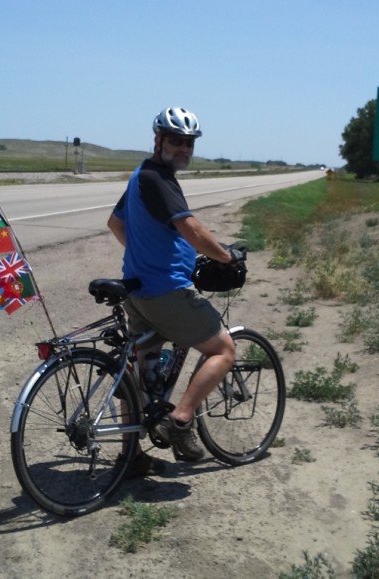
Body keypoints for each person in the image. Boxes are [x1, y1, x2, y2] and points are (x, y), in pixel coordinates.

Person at [107, 106, 241, 469]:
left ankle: (131, 457)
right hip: (165, 291)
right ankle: (181, 421)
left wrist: (146, 255)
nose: (183, 148)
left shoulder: (141, 175)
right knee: (224, 349)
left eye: (189, 143)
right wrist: (227, 258)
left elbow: (116, 223)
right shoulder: (159, 179)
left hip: (138, 289)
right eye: (176, 141)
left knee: (142, 377)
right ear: (158, 140)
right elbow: (192, 230)